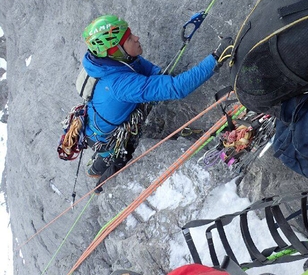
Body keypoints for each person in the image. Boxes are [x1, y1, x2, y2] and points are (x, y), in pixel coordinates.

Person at [81, 14, 232, 193]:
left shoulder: (118, 61)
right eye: (129, 38)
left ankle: (100, 162)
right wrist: (215, 59)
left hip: (100, 120)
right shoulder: (120, 84)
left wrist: (158, 81)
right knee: (120, 157)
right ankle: (101, 177)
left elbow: (147, 69)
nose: (136, 38)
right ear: (115, 50)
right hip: (106, 136)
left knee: (114, 146)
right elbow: (177, 88)